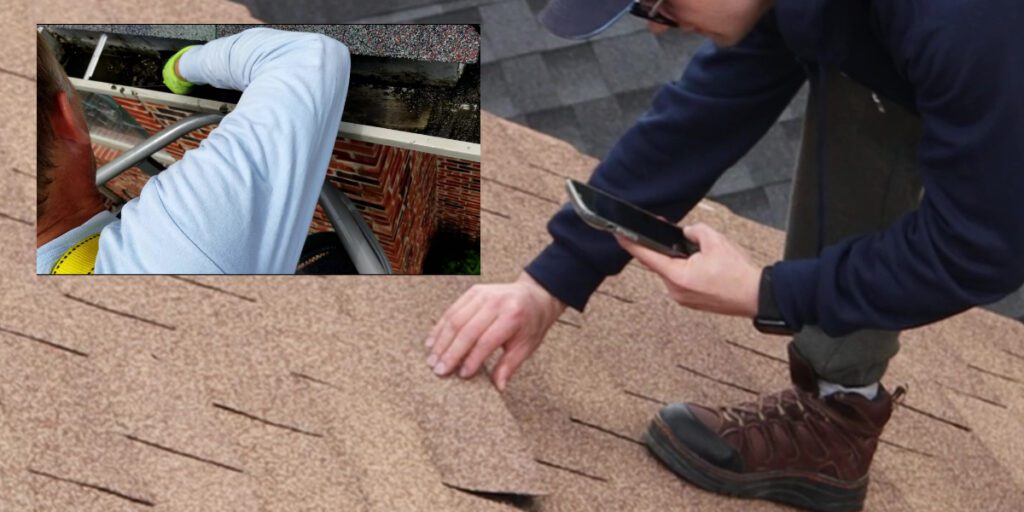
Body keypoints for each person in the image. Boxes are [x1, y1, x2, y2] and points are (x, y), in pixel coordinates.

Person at [426, 0, 1024, 510]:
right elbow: (709, 109)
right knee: (865, 71)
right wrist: (547, 285)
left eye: (655, 2)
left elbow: (980, 247)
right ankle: (839, 409)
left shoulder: (960, 20)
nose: (657, 27)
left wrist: (768, 292)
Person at [36, 27, 350, 274]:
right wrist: (184, 66)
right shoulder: (179, 246)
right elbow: (309, 57)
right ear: (66, 119)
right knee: (336, 253)